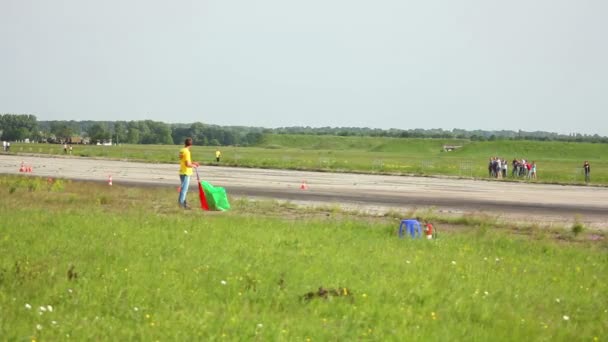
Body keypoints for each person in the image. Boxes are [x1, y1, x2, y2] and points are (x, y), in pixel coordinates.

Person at [178, 138, 199, 209]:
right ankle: (181, 205)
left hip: (181, 171)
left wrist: (193, 163)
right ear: (191, 144)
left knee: (183, 189)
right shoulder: (187, 152)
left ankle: (184, 204)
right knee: (184, 190)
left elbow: (185, 161)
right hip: (186, 173)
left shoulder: (182, 150)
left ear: (185, 143)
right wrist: (194, 166)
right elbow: (187, 164)